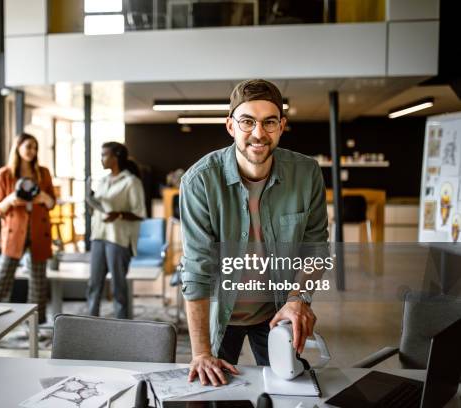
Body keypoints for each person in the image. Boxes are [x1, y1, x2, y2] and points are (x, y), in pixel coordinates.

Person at [180, 79, 328, 386]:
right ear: (231, 126)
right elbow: (197, 269)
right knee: (210, 393)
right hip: (219, 315)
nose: (258, 133)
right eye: (247, 121)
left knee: (289, 390)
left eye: (269, 122)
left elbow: (314, 247)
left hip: (275, 310)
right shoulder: (200, 182)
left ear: (281, 126)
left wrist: (299, 297)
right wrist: (200, 352)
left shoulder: (306, 173)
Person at [0, 133, 56, 324]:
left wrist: (44, 198)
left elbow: (52, 204)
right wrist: (10, 200)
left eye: (35, 147)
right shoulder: (4, 174)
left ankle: (36, 325)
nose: (32, 151)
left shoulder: (43, 173)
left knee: (38, 284)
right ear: (17, 147)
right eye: (28, 147)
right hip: (14, 233)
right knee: (2, 280)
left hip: (39, 233)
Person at [87, 142, 146, 319]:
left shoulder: (131, 182)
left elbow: (140, 213)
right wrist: (90, 202)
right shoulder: (103, 181)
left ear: (116, 157)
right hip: (98, 235)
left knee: (118, 287)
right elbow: (98, 208)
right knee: (93, 284)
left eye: (105, 155)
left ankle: (122, 326)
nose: (101, 159)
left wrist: (118, 214)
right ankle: (90, 322)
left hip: (118, 239)